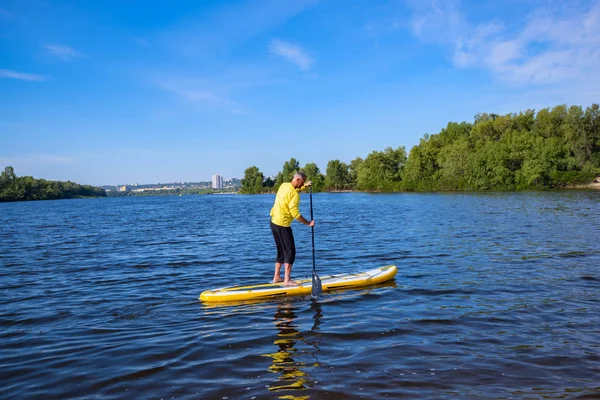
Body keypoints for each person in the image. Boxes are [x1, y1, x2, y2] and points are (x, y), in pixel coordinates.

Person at [270, 172, 315, 286]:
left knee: (281, 250)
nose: (303, 184)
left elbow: (293, 190)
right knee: (290, 252)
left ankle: (276, 277)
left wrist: (305, 186)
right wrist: (308, 223)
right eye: (302, 182)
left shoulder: (284, 185)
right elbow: (295, 213)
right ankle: (287, 280)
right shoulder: (295, 195)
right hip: (283, 225)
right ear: (298, 180)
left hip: (274, 222)